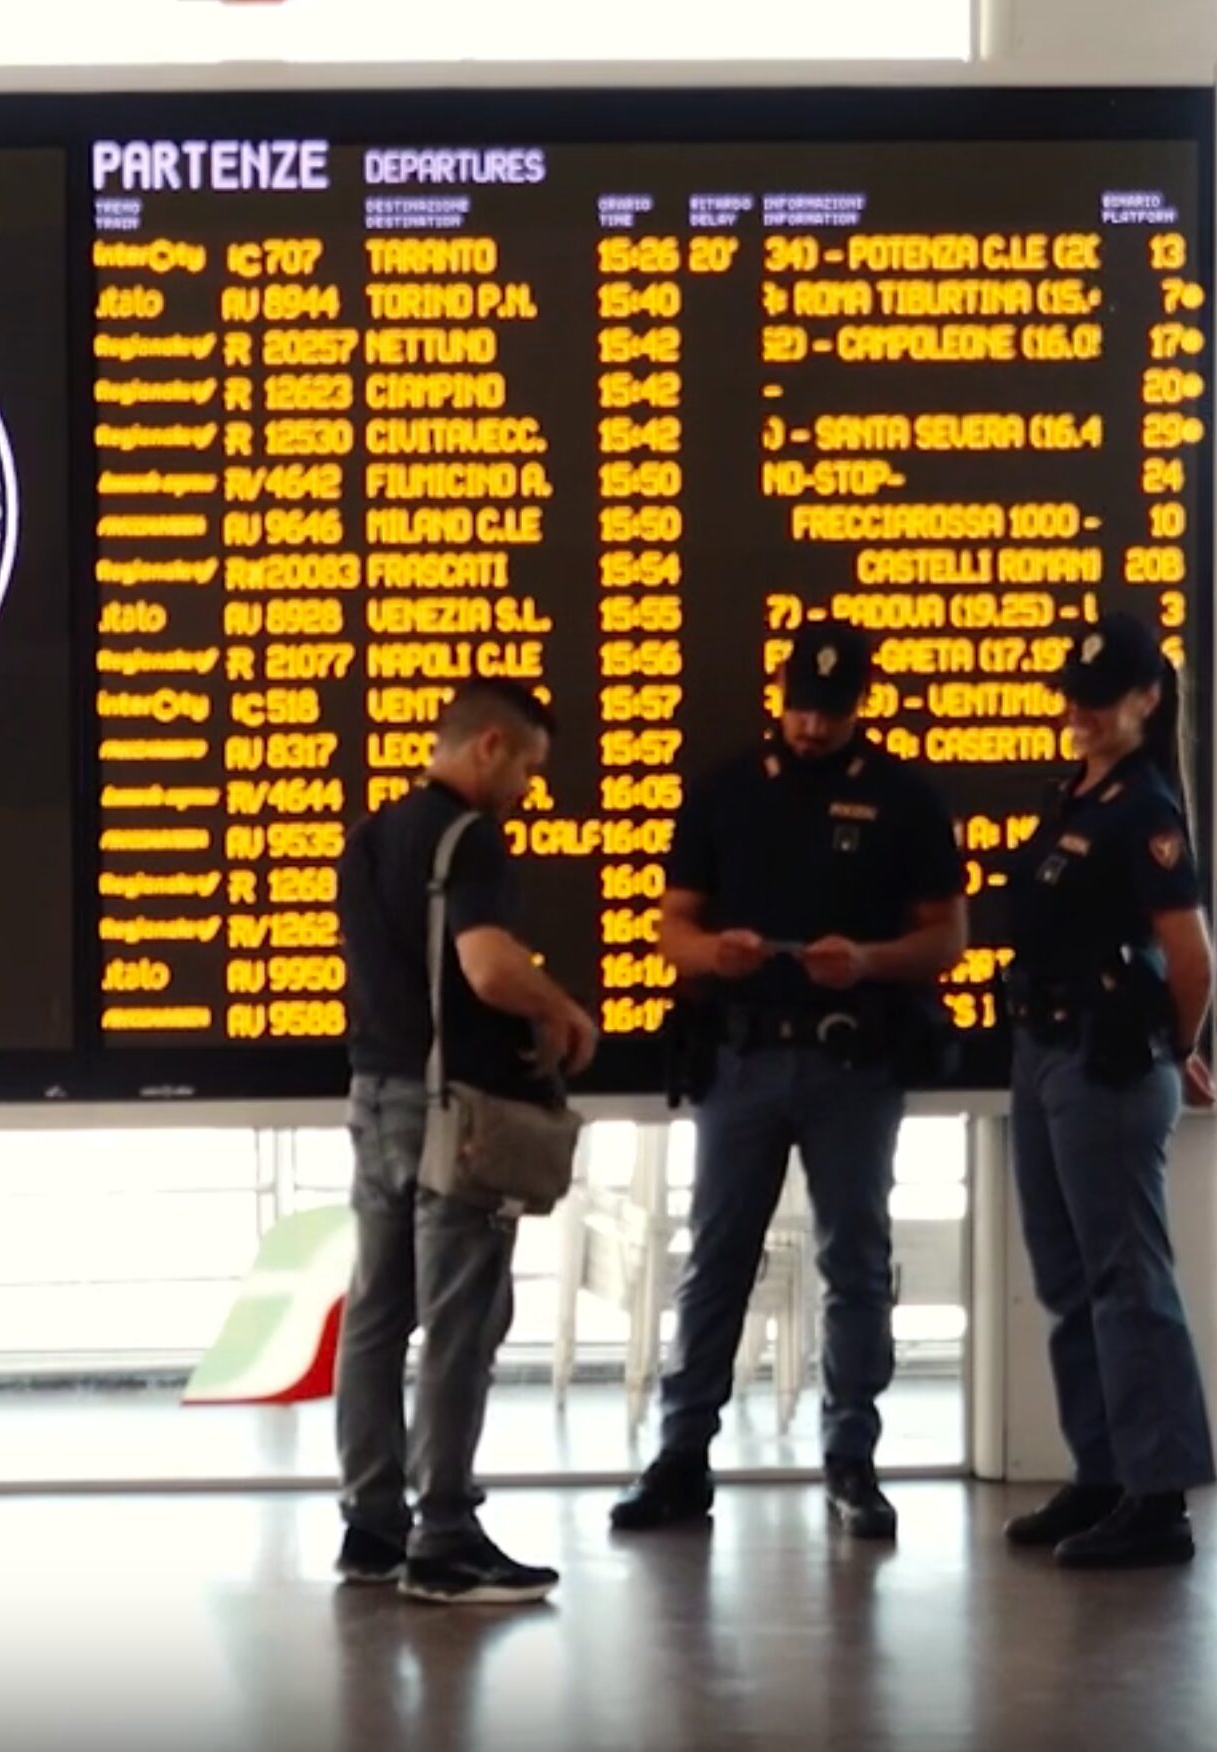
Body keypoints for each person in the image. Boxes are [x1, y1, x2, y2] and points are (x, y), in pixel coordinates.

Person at [610, 621, 968, 1540]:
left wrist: (872, 961)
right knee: (717, 1258)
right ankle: (682, 1455)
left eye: (830, 711)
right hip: (741, 1057)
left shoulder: (904, 798)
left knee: (855, 1260)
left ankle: (851, 1458)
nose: (812, 726)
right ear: (779, 696)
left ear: (860, 704)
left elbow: (947, 938)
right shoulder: (726, 790)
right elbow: (673, 929)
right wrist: (713, 956)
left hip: (855, 1062)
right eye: (801, 707)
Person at [331, 679, 597, 1606]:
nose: (528, 787)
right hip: (453, 1112)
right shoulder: (468, 839)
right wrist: (561, 1010)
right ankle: (444, 1537)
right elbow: (486, 968)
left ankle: (372, 1528)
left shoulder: (369, 836)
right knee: (461, 1322)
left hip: (375, 1095)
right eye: (527, 766)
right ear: (489, 746)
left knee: (377, 1314)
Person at [999, 610, 1217, 1570]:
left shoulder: (1145, 810)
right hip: (1045, 1052)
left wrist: (1173, 1046)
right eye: (1075, 696)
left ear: (1147, 700)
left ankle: (1157, 1496)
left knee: (1127, 1280)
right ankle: (1103, 1472)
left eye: (1103, 699)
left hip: (1106, 1063)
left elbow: (1190, 959)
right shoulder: (1078, 796)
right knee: (1068, 1276)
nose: (1082, 712)